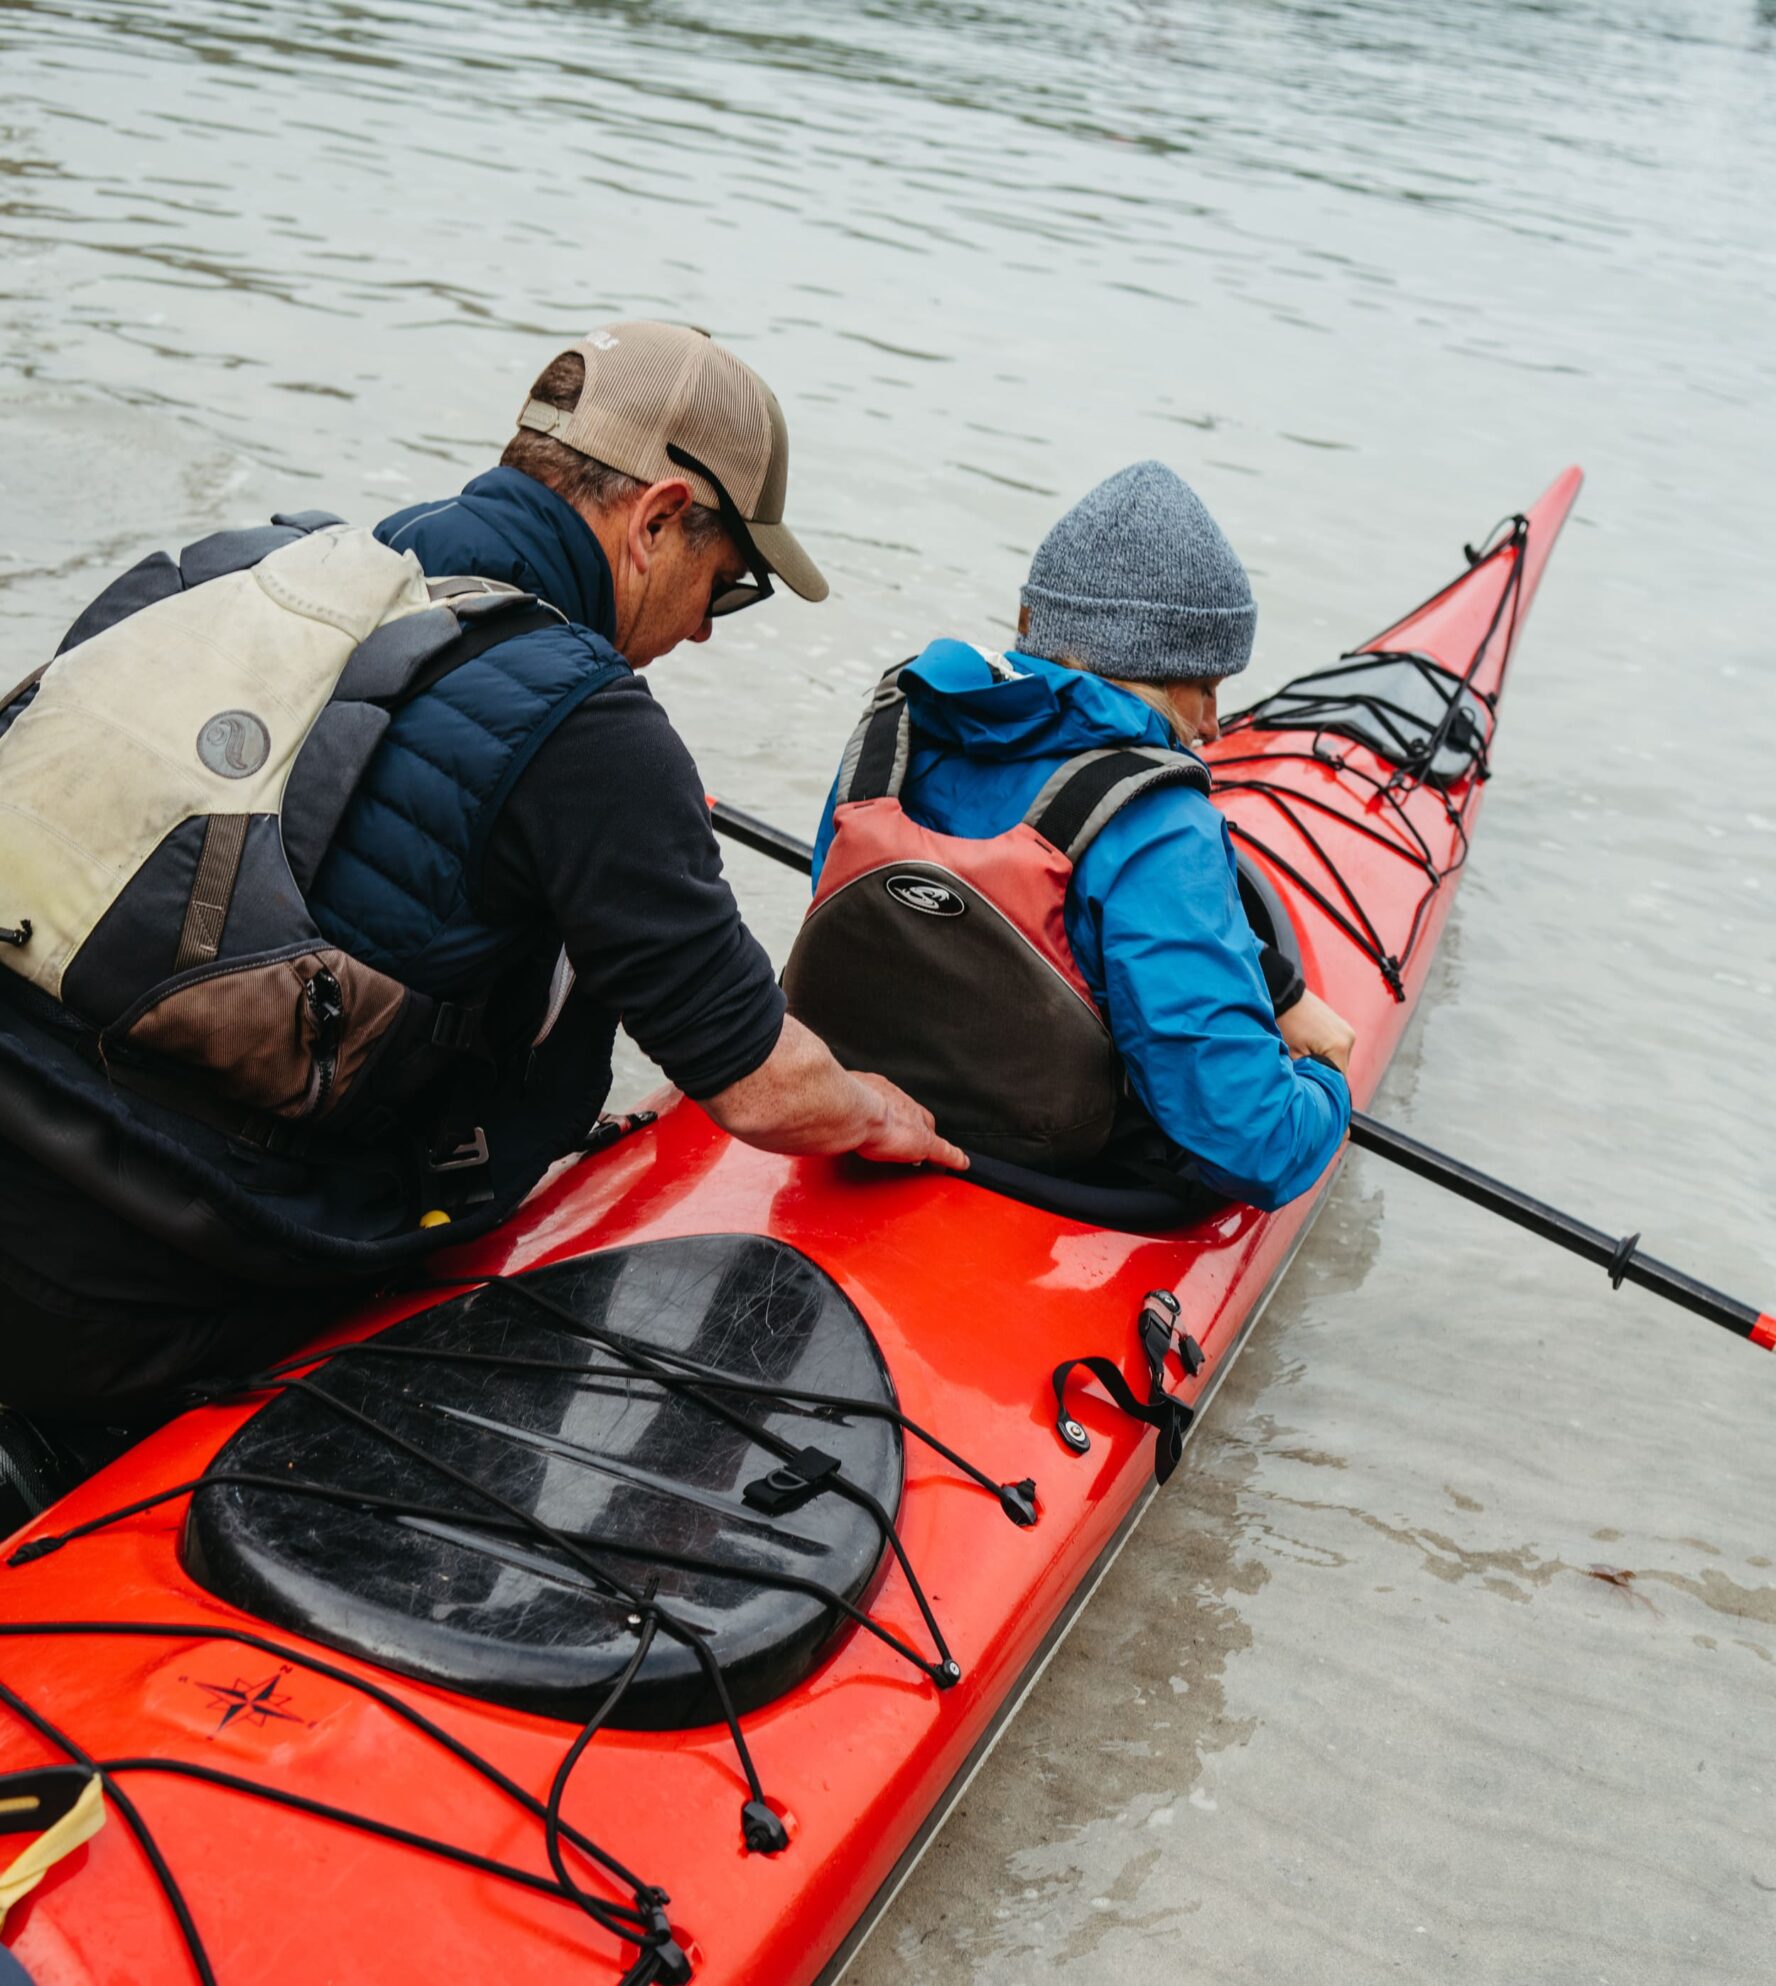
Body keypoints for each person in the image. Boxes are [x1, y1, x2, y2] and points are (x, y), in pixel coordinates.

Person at [0, 320, 962, 1498]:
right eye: (731, 584)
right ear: (658, 518)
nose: (708, 626)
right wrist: (885, 1113)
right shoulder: (590, 730)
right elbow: (762, 1088)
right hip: (140, 1296)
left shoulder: (247, 571)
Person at [784, 459, 1353, 1214]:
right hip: (1056, 1178)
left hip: (864, 1115)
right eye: (1207, 687)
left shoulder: (894, 729)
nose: (1215, 726)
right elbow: (1254, 1149)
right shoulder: (1161, 825)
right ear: (1146, 667)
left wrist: (1273, 987)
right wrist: (1326, 1085)